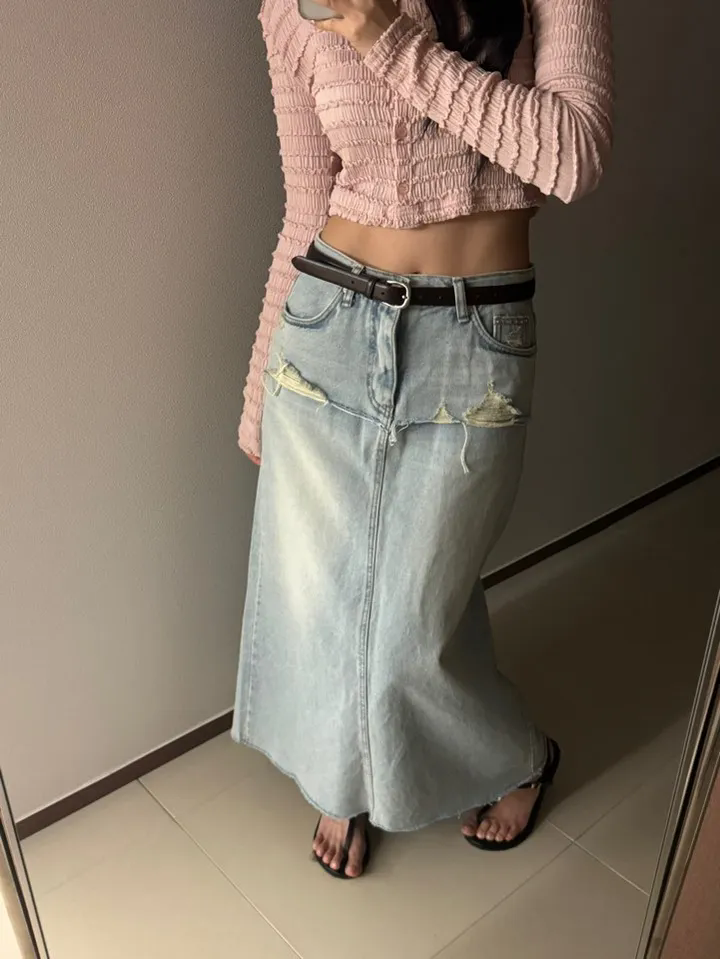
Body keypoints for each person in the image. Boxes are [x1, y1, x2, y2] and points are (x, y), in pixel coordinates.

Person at [231, 0, 614, 879]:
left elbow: (575, 154)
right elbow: (304, 205)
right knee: (319, 600)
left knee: (415, 615)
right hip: (325, 323)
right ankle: (343, 774)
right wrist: (258, 390)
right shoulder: (290, 8)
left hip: (471, 337)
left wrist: (387, 37)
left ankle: (521, 754)